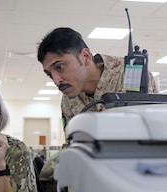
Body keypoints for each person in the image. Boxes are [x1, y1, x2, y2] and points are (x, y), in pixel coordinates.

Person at [37, 27, 158, 191]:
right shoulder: (68, 101)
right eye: (49, 74)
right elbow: (74, 147)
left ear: (85, 57)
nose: (56, 80)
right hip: (92, 171)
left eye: (60, 67)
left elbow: (150, 143)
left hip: (134, 172)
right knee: (49, 171)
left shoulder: (130, 76)